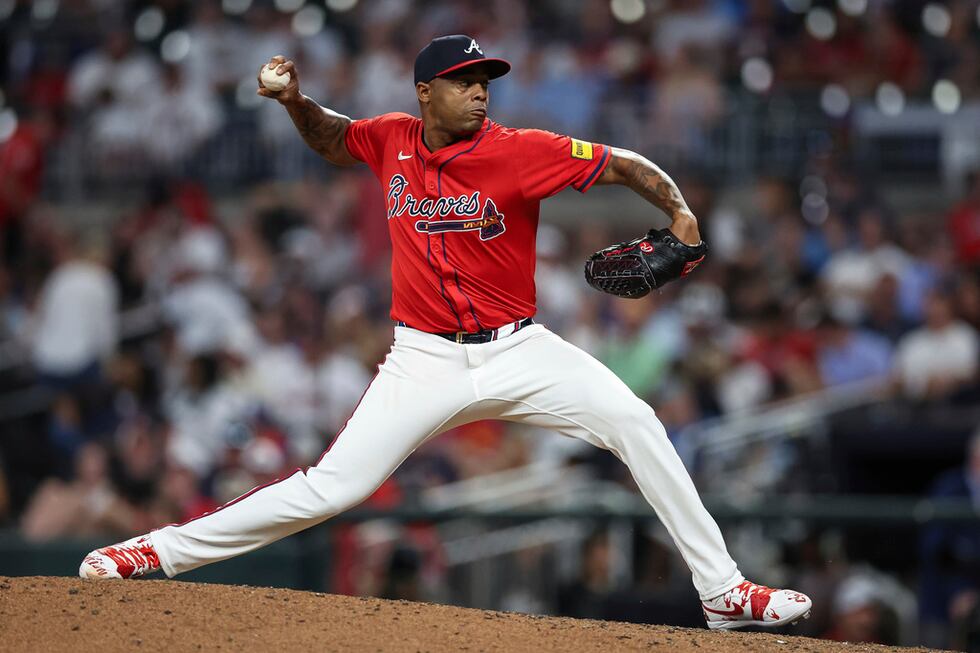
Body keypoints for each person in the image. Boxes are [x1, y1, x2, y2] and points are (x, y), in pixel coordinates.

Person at [79, 35, 812, 630]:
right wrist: (296, 101)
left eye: (485, 79)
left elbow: (621, 164)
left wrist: (680, 212)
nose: (480, 90)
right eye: (465, 80)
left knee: (636, 420)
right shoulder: (392, 138)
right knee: (330, 489)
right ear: (425, 92)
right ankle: (152, 552)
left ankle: (723, 590)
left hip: (522, 348)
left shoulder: (519, 149)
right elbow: (336, 140)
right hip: (423, 358)